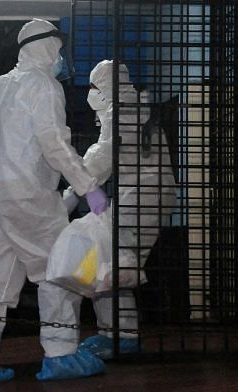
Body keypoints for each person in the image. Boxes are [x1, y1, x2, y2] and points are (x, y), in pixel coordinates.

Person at [0, 19, 108, 386]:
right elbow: (54, 145)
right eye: (59, 50)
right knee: (59, 273)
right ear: (48, 47)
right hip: (30, 198)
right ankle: (62, 355)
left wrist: (1, 133)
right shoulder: (44, 86)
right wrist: (87, 186)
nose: (62, 58)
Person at [50, 60, 176, 366]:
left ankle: (123, 337)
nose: (89, 94)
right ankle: (114, 333)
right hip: (144, 195)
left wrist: (70, 189)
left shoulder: (122, 112)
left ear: (103, 88)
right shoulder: (127, 107)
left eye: (93, 87)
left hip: (144, 197)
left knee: (109, 264)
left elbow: (101, 158)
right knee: (108, 263)